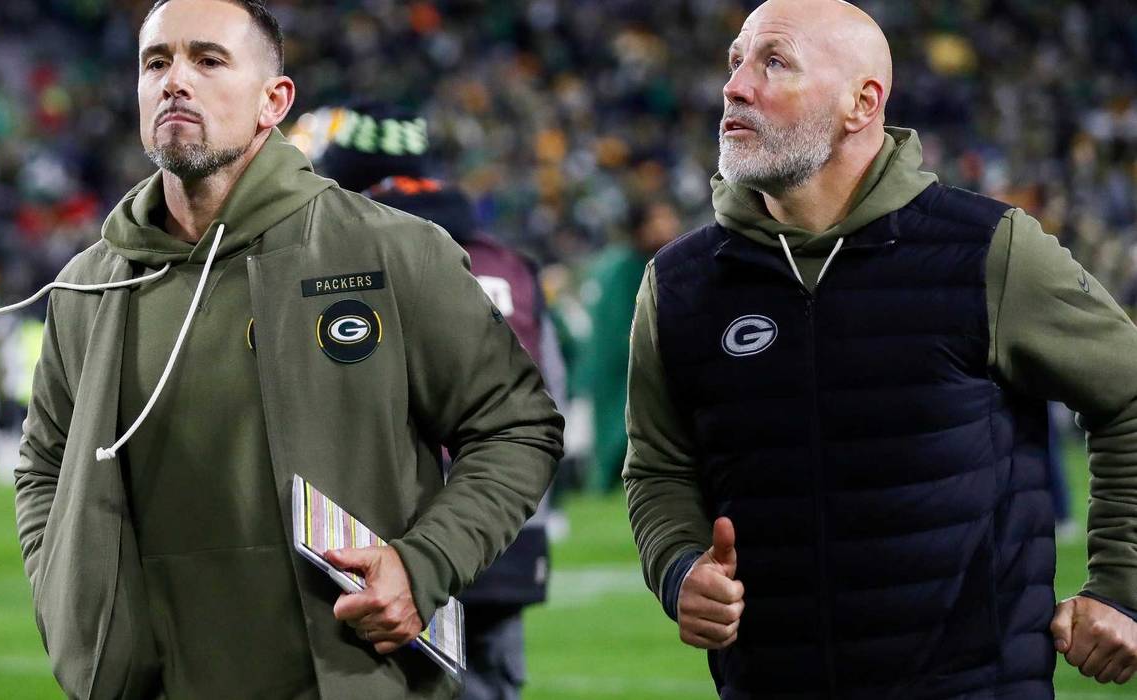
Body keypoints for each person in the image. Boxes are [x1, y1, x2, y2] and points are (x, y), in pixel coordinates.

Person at [0, 1, 563, 698]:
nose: (175, 81)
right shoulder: (85, 286)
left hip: (352, 676)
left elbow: (515, 425)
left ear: (273, 100)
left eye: (208, 59)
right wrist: (65, 594)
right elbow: (45, 462)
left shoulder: (390, 251)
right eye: (156, 62)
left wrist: (423, 564)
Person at [624, 0, 1137, 697]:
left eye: (773, 62)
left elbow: (1128, 393)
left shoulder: (986, 250)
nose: (736, 85)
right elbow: (657, 465)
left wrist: (1120, 584)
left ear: (860, 104)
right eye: (735, 61)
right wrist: (677, 566)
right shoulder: (678, 283)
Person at [319, 104, 566, 700]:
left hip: (392, 538)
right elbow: (545, 400)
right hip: (506, 525)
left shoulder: (349, 259)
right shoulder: (513, 264)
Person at [577, 200, 679, 492]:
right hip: (619, 369)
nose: (669, 225)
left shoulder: (665, 260)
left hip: (637, 363)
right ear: (640, 228)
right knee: (618, 433)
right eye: (660, 218)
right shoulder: (620, 269)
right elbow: (617, 331)